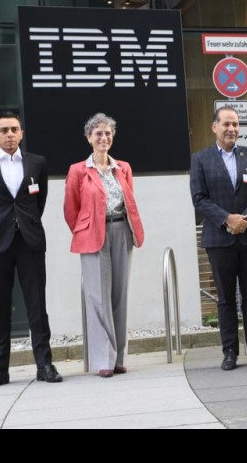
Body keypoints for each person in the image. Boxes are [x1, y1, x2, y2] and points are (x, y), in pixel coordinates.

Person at [0, 112, 62, 390]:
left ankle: (44, 365)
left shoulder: (36, 163)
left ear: (21, 133)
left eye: (14, 130)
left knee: (37, 306)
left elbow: (39, 201)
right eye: (4, 130)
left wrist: (24, 223)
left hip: (29, 241)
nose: (10, 134)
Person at [190, 107, 247, 371]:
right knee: (225, 298)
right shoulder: (201, 159)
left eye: (235, 124)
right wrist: (227, 219)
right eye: (226, 124)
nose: (231, 129)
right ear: (214, 127)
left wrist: (244, 219)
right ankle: (229, 352)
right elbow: (199, 198)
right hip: (219, 238)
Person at [64, 113, 145, 378]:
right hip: (93, 235)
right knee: (98, 298)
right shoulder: (78, 170)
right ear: (89, 137)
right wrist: (85, 230)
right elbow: (71, 209)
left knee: (119, 295)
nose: (104, 138)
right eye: (98, 133)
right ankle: (103, 359)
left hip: (122, 231)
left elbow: (129, 201)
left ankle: (119, 358)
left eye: (108, 133)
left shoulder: (123, 167)